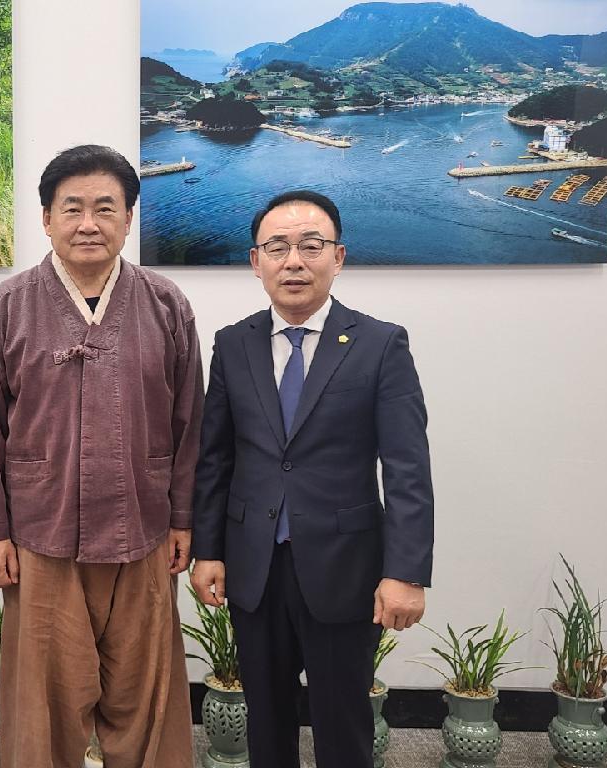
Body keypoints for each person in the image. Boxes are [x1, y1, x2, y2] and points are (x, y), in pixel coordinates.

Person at [0, 144, 202, 768]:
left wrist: (183, 519)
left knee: (145, 699)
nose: (88, 223)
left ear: (128, 219)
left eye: (105, 208)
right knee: (43, 705)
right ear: (47, 219)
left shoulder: (166, 303)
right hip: (40, 536)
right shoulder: (5, 308)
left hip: (144, 530)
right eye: (72, 208)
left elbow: (189, 422)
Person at [191, 190, 434, 768]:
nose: (293, 261)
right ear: (256, 261)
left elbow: (407, 468)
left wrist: (404, 572)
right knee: (266, 721)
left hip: (345, 567)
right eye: (277, 247)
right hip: (254, 565)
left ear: (339, 256)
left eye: (310, 245)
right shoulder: (233, 343)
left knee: (341, 720)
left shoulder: (380, 343)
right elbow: (215, 457)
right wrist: (209, 551)